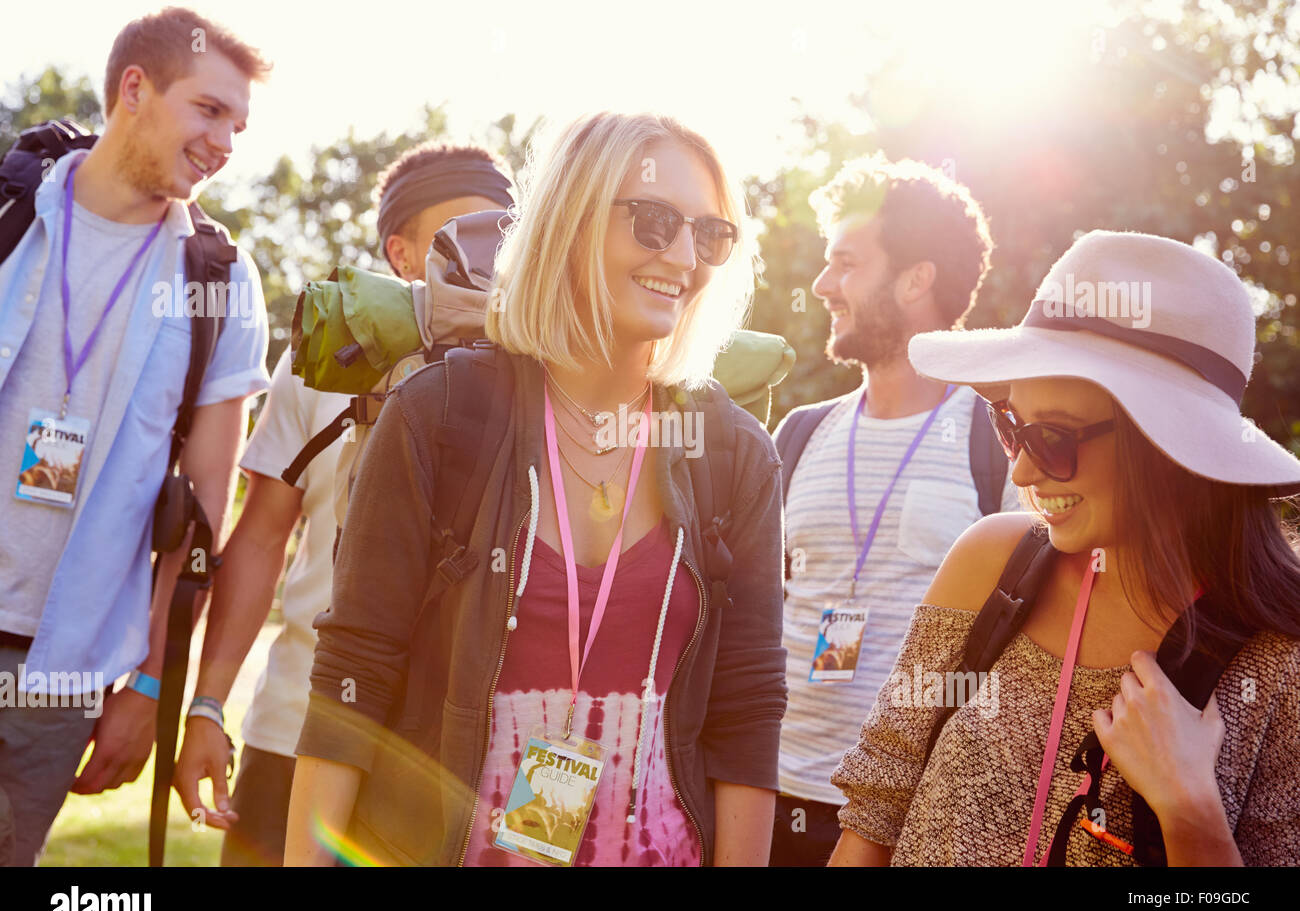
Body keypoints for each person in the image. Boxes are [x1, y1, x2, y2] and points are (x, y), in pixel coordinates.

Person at [284, 111, 787, 867]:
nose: (685, 257)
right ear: (571, 220)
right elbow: (356, 670)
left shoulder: (734, 453)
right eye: (653, 222)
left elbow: (745, 716)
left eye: (709, 234)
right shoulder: (440, 415)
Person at [830, 229, 1300, 866]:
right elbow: (875, 814)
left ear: (1166, 446)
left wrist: (1190, 811)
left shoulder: (1279, 667)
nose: (1021, 472)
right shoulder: (991, 566)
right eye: (1011, 427)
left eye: (1053, 438)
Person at [172, 144, 513, 866]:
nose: (487, 253)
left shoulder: (548, 376)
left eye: (504, 233)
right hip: (298, 728)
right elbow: (261, 538)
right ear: (403, 253)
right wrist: (207, 709)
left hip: (453, 761)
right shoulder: (325, 356)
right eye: (460, 232)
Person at [0, 7, 271, 866]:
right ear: (134, 89)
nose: (225, 141)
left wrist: (150, 685)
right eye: (209, 110)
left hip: (62, 680)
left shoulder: (218, 282)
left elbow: (201, 519)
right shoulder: (9, 210)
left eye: (238, 124)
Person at [768, 156, 1019, 866]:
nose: (823, 285)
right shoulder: (798, 433)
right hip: (771, 798)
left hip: (906, 822)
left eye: (846, 263)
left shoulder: (1000, 438)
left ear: (916, 278)